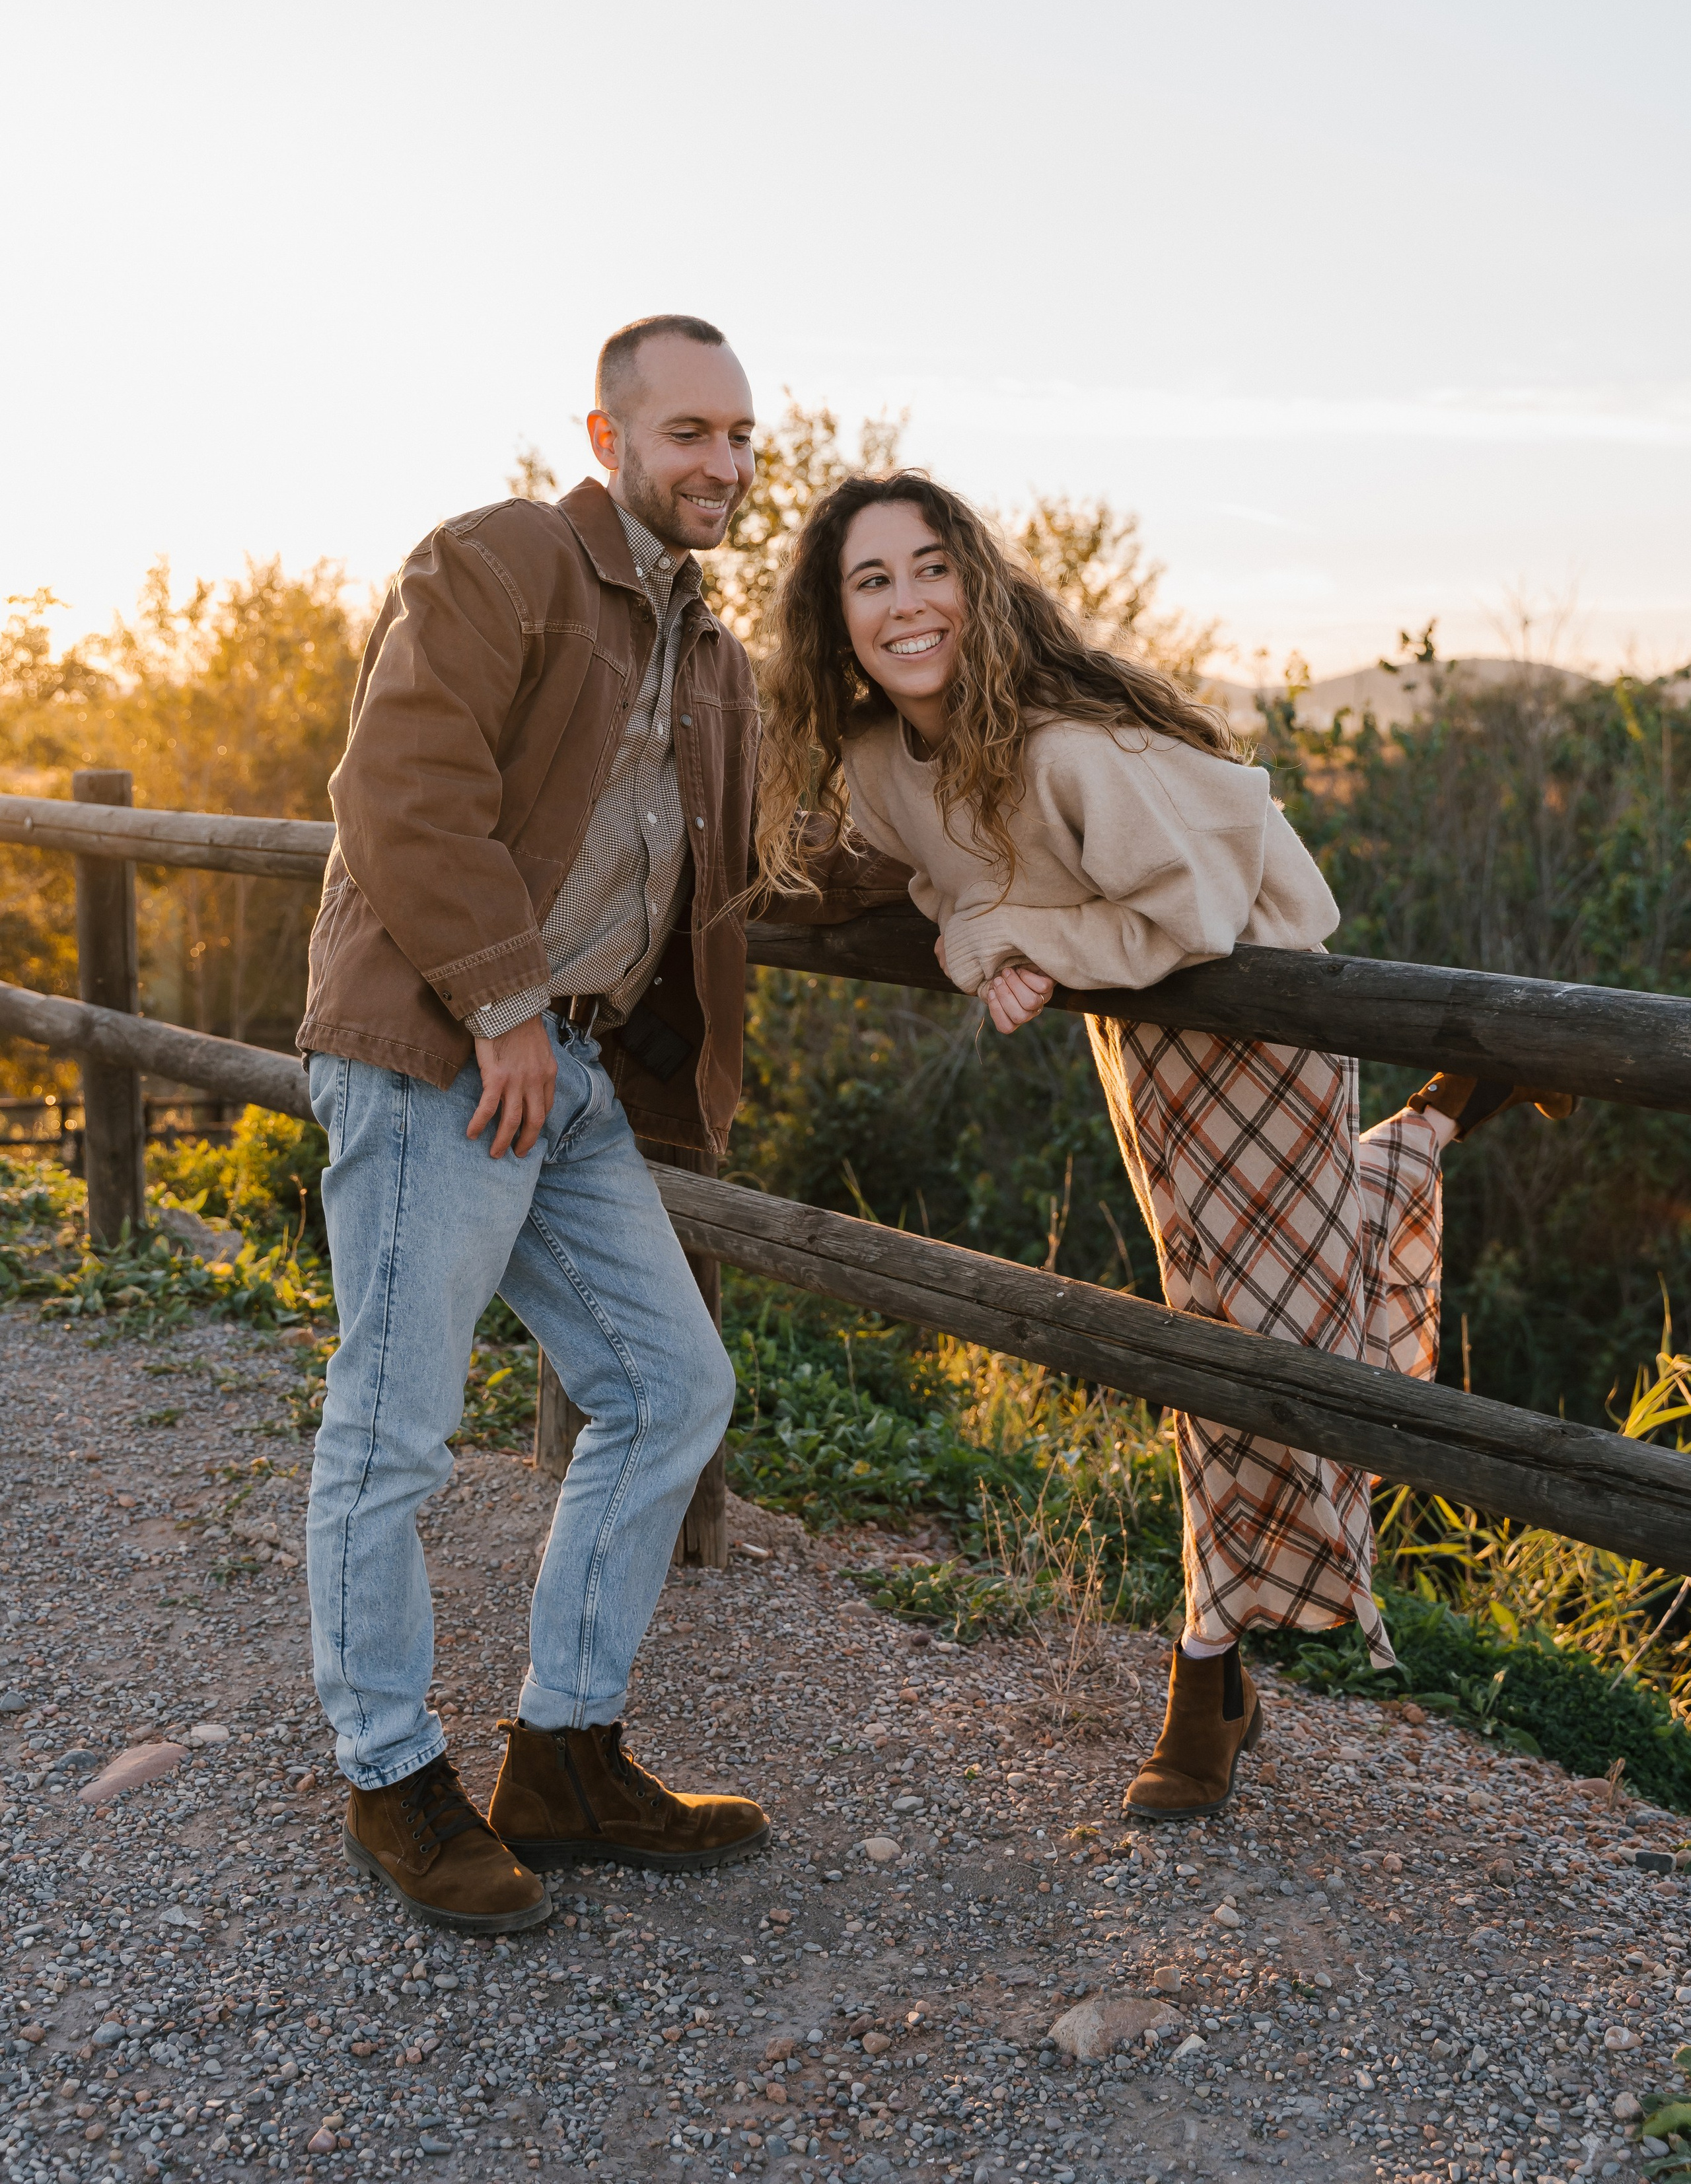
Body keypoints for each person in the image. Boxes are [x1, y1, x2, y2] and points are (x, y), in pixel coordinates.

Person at [755, 470, 1575, 1821]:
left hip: (1252, 1014)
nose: (906, 604)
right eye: (869, 581)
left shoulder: (1065, 741)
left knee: (1243, 1335)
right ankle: (1436, 1116)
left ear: (975, 582)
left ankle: (1205, 1677)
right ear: (832, 617)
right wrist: (971, 931)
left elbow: (1192, 916)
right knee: (1255, 1311)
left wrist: (1002, 939)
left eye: (928, 569)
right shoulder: (873, 761)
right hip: (1137, 1042)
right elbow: (932, 875)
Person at [296, 316, 904, 1931]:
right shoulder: (500, 561)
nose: (723, 464)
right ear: (607, 432)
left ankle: (561, 1754)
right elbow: (399, 787)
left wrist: (969, 873)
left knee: (668, 1388)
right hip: (440, 1050)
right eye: (690, 432)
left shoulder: (711, 654)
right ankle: (388, 1774)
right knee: (396, 1424)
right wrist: (498, 1004)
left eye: (743, 439)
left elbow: (768, 865)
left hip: (564, 1085)